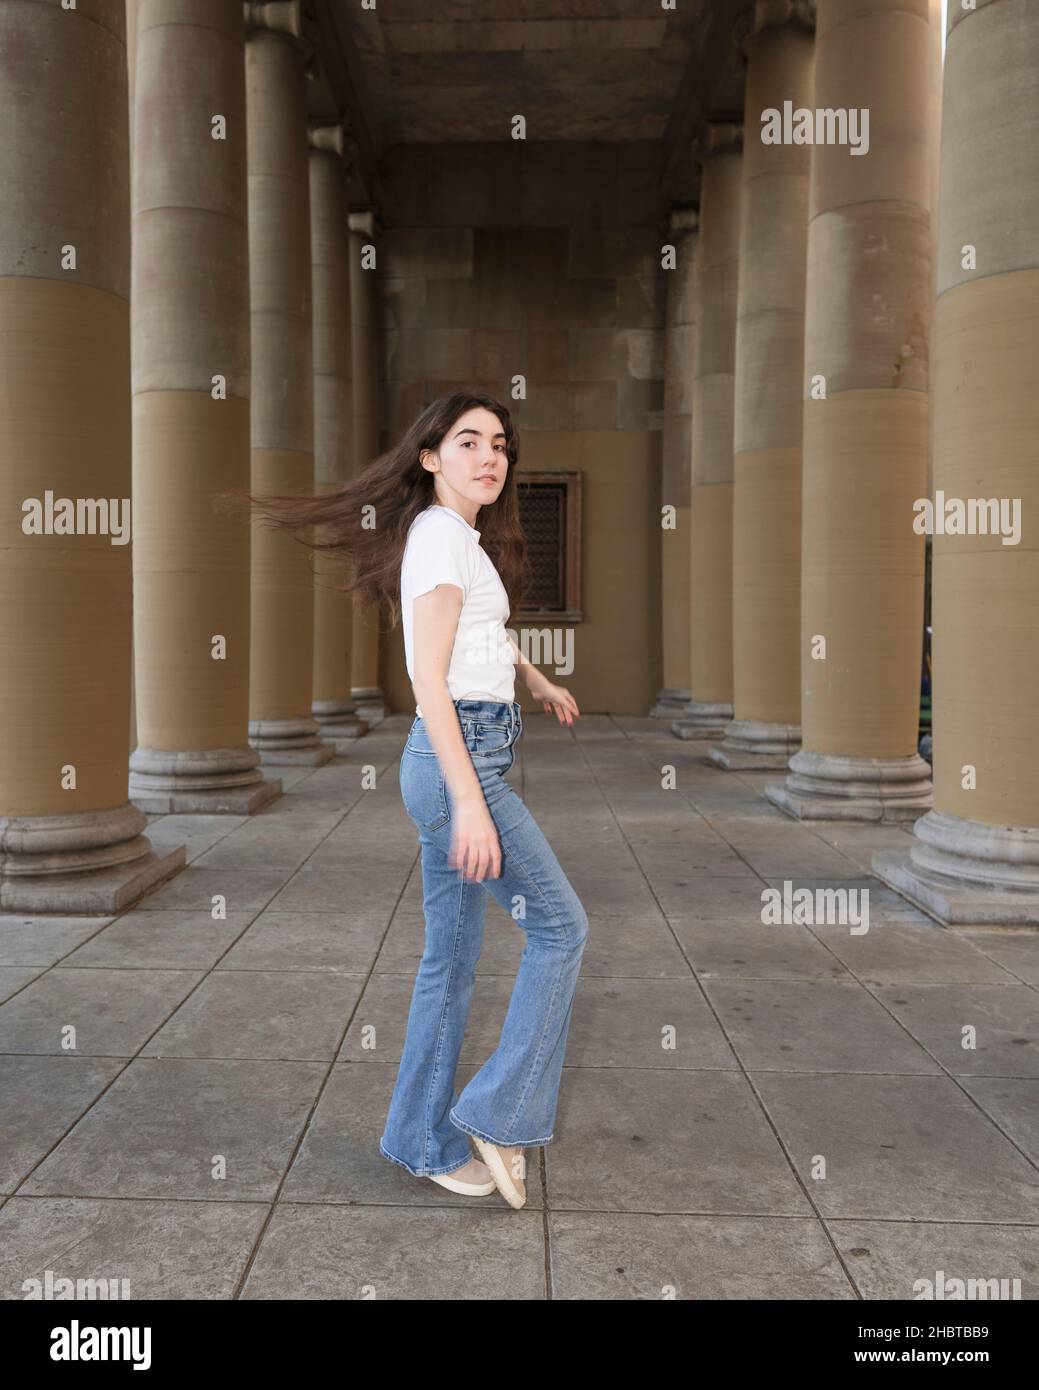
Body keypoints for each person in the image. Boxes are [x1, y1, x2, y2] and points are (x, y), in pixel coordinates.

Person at [220, 391, 588, 1210]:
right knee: (561, 930)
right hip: (460, 762)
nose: (489, 455)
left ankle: (421, 1140)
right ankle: (497, 1114)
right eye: (468, 441)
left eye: (499, 443)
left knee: (449, 963)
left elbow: (477, 637)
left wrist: (534, 677)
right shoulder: (436, 539)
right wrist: (468, 800)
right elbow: (427, 678)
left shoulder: (460, 539)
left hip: (462, 752)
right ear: (429, 457)